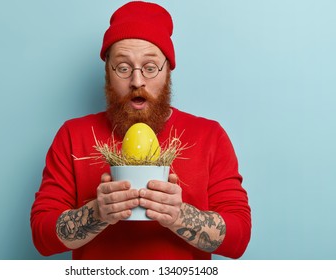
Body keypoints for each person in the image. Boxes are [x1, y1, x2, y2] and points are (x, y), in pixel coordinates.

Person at [30, 1, 251, 260]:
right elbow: (42, 237)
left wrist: (179, 216)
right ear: (107, 72)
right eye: (123, 68)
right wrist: (97, 212)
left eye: (150, 67)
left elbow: (239, 238)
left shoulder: (209, 135)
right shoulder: (73, 135)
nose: (137, 81)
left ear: (167, 70)